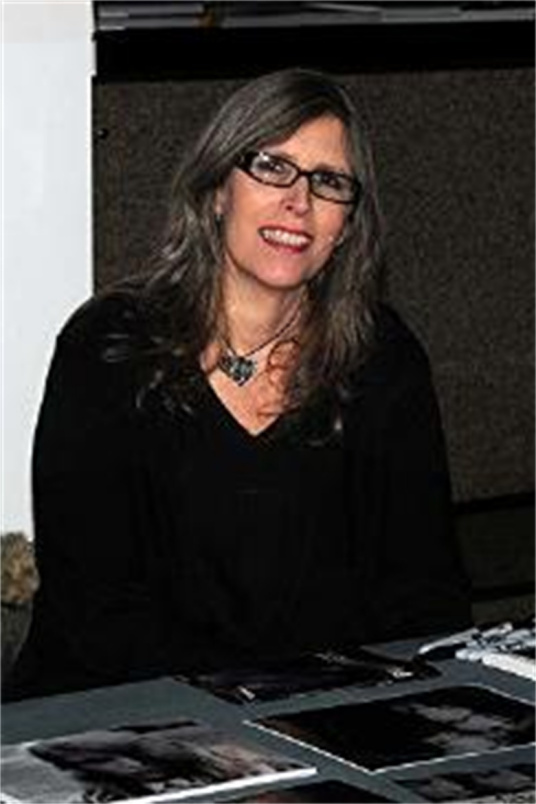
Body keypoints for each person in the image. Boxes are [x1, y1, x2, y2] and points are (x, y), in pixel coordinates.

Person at [5, 68, 471, 701]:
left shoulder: (383, 358)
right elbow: (95, 613)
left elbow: (425, 598)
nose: (299, 201)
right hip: (122, 718)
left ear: (346, 226)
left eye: (329, 182)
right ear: (217, 189)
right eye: (272, 167)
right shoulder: (109, 347)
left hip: (322, 715)